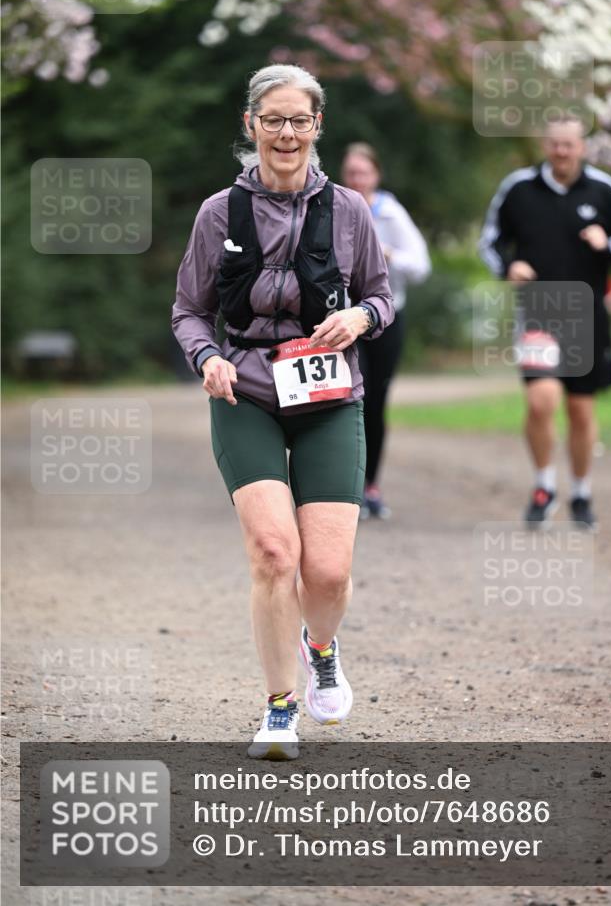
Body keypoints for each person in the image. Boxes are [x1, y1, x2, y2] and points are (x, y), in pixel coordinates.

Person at [172, 65, 394, 760]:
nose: (287, 133)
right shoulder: (219, 213)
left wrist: (358, 317)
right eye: (273, 120)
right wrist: (206, 356)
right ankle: (278, 708)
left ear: (316, 127)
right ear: (251, 126)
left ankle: (320, 646)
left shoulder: (350, 211)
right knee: (274, 554)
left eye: (299, 120)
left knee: (325, 572)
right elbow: (188, 309)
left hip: (328, 399)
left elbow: (383, 298)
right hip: (246, 394)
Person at [478, 116, 611, 530]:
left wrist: (609, 244)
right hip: (537, 311)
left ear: (582, 147)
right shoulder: (518, 188)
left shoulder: (605, 190)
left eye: (569, 145)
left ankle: (582, 493)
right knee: (541, 400)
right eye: (554, 144)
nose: (561, 152)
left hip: (587, 318)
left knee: (581, 411)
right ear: (545, 145)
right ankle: (544, 485)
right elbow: (490, 240)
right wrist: (508, 264)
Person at [341, 143, 431, 519]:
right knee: (345, 401)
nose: (358, 180)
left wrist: (388, 254)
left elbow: (422, 266)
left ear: (376, 175)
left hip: (385, 318)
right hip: (341, 322)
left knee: (375, 402)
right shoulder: (333, 208)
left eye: (364, 173)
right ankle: (341, 487)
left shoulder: (392, 214)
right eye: (351, 173)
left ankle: (370, 486)